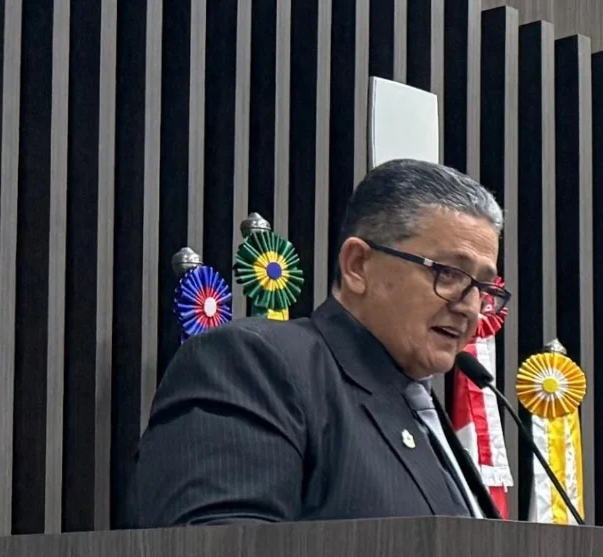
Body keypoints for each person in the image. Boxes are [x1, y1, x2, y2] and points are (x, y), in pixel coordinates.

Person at [132, 159, 511, 526]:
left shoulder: (421, 408)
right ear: (358, 265)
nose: (471, 308)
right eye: (448, 274)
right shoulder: (255, 365)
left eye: (483, 286)